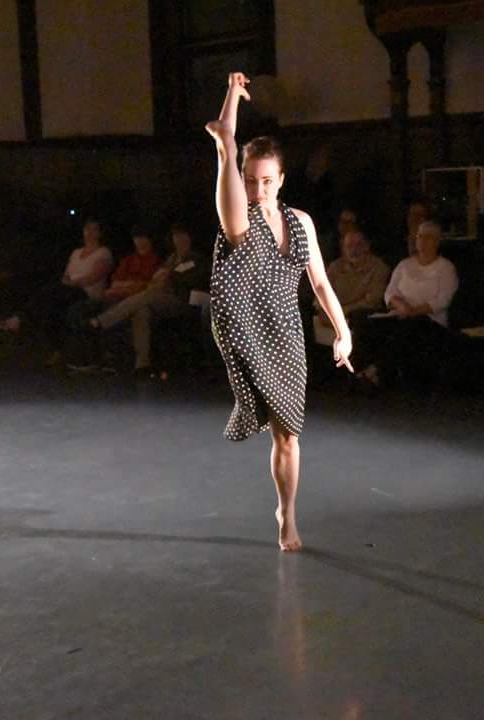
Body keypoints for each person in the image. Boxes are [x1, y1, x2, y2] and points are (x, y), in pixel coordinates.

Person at [205, 72, 353, 552]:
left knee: (288, 435)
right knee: (227, 159)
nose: (259, 189)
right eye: (251, 180)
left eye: (267, 181)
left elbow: (321, 283)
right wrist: (232, 98)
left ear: (282, 180)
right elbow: (234, 180)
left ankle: (286, 514)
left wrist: (343, 331)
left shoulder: (300, 221)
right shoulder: (242, 217)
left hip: (286, 331)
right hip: (244, 324)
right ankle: (226, 145)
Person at [85, 224, 209, 375]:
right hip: (161, 296)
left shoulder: (195, 258)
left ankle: (103, 320)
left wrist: (168, 277)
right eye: (176, 236)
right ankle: (142, 363)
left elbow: (189, 280)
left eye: (182, 236)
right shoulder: (171, 258)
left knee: (149, 294)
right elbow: (156, 279)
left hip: (181, 299)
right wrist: (163, 278)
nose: (179, 239)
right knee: (141, 309)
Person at [352, 219, 459, 391]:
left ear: (437, 241)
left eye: (428, 237)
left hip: (430, 321)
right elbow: (389, 292)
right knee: (361, 319)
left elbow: (442, 300)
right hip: (401, 314)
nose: (422, 240)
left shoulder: (446, 268)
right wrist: (401, 306)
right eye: (419, 236)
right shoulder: (404, 265)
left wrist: (413, 312)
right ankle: (359, 371)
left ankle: (375, 371)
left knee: (408, 326)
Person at [0, 219, 113, 365]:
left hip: (86, 292)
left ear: (100, 233)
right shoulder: (76, 253)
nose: (89, 232)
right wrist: (67, 282)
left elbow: (94, 277)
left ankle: (18, 319)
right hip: (68, 290)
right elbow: (66, 274)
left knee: (51, 292)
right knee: (48, 306)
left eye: (93, 229)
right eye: (87, 229)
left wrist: (73, 283)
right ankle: (56, 350)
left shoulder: (103, 253)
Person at [315, 228, 390, 330]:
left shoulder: (379, 268)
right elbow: (321, 294)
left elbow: (373, 301)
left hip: (362, 322)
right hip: (331, 319)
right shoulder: (335, 267)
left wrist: (342, 311)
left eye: (359, 245)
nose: (354, 250)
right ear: (343, 248)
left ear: (367, 246)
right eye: (349, 246)